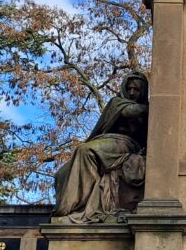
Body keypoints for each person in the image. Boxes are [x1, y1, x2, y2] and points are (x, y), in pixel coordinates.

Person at [53, 73, 149, 223]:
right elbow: (130, 111)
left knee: (85, 150)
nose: (131, 92)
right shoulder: (117, 103)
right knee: (62, 172)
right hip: (108, 140)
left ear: (142, 91)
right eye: (129, 88)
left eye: (136, 90)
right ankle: (77, 206)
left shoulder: (147, 109)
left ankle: (75, 204)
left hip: (126, 144)